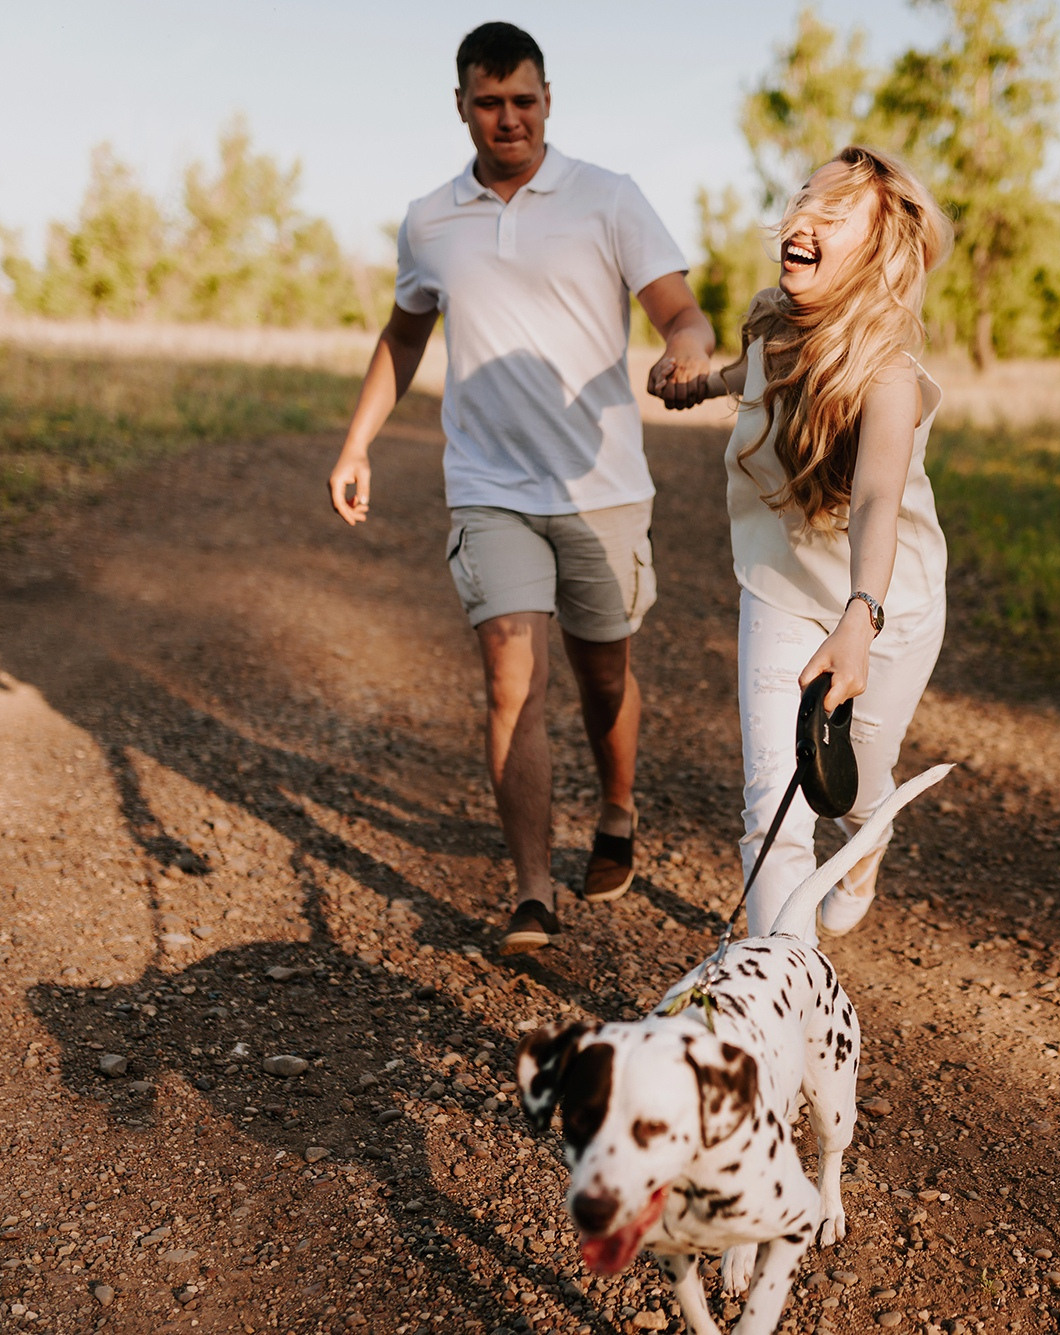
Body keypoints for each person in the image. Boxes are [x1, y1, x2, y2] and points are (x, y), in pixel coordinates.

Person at [327, 21, 715, 956]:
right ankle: (533, 893)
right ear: (461, 106)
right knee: (512, 680)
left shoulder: (608, 198)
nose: (510, 120)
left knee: (603, 672)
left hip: (601, 485)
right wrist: (357, 442)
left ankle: (617, 809)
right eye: (490, 103)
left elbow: (681, 311)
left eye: (524, 101)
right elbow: (405, 334)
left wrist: (686, 350)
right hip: (489, 485)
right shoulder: (429, 219)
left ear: (549, 100)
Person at [664, 146, 952, 942]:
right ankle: (776, 1008)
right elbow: (753, 369)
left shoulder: (887, 374)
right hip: (782, 586)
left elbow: (876, 498)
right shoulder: (775, 326)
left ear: (876, 252)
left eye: (834, 215)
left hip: (886, 605)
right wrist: (701, 385)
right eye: (803, 202)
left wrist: (860, 619)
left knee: (852, 784)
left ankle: (868, 843)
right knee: (772, 808)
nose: (803, 220)